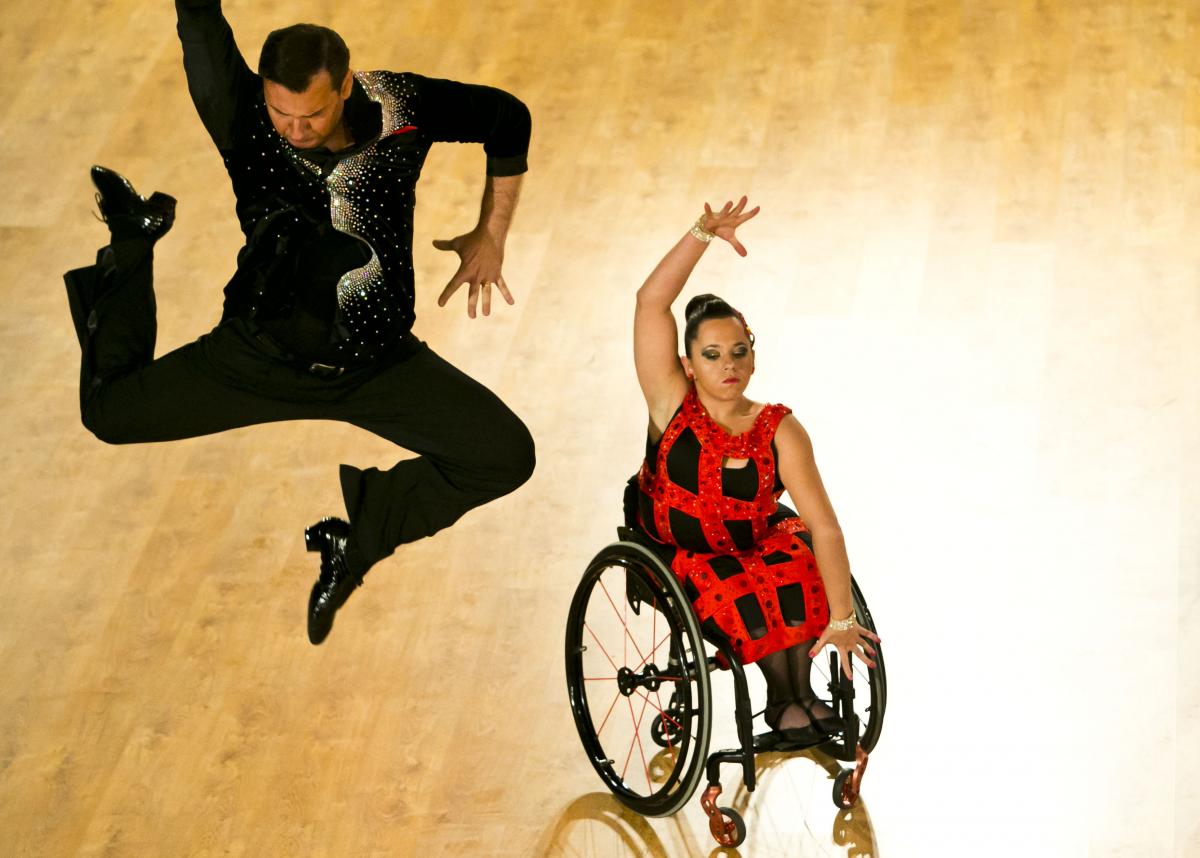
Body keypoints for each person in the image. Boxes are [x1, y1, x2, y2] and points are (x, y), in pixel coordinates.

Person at [61, 1, 535, 645]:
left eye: (312, 112)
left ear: (346, 84)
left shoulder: (400, 105)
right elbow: (201, 29)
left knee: (505, 455)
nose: (295, 128)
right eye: (282, 112)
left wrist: (493, 232)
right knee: (109, 414)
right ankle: (132, 238)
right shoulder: (245, 119)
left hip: (377, 363)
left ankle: (357, 540)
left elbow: (508, 119)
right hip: (257, 357)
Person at [630, 197, 879, 737]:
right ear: (688, 364)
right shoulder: (671, 401)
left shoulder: (779, 428)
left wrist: (843, 620)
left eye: (739, 352)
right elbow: (651, 302)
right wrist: (701, 232)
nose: (729, 366)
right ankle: (784, 702)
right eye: (713, 354)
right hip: (683, 546)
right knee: (741, 591)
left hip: (755, 536)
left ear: (754, 354)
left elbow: (826, 527)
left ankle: (797, 697)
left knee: (795, 571)